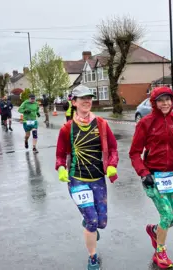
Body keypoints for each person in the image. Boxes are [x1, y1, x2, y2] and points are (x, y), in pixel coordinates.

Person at [55, 85, 119, 270]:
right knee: (92, 222)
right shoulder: (67, 128)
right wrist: (61, 168)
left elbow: (113, 149)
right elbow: (60, 155)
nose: (87, 101)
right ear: (74, 102)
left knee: (102, 223)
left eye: (89, 98)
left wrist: (112, 165)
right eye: (82, 98)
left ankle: (88, 223)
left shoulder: (101, 124)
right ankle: (92, 257)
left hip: (98, 178)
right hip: (77, 179)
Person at [129, 86, 173, 269]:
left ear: (172, 101)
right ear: (154, 103)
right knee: (166, 215)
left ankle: (155, 231)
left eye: (168, 100)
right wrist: (143, 172)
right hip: (153, 177)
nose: (165, 103)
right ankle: (160, 253)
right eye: (161, 100)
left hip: (171, 176)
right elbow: (134, 153)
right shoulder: (146, 123)